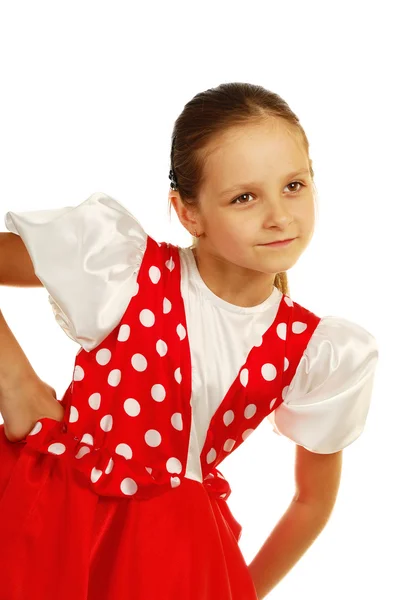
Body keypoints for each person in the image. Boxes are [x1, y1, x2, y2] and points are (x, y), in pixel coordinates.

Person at [0, 82, 379, 600]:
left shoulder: (316, 351)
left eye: (294, 185)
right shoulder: (124, 269)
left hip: (169, 557)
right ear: (188, 213)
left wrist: (237, 589)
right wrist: (15, 381)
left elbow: (312, 502)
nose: (279, 216)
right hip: (45, 509)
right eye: (244, 196)